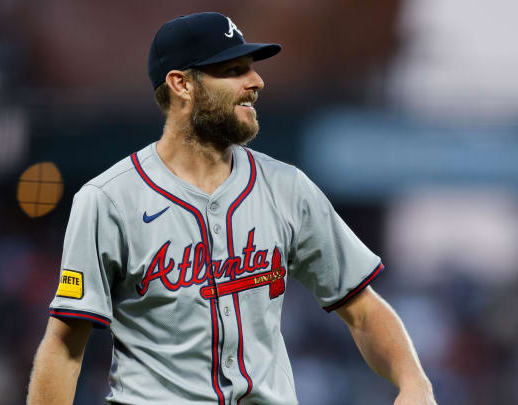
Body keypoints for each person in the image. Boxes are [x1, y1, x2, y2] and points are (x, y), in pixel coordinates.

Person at [27, 12, 436, 405]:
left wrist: (412, 380)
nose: (255, 80)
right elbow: (64, 347)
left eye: (251, 67)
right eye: (232, 70)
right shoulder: (109, 199)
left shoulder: (287, 187)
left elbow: (362, 309)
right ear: (181, 84)